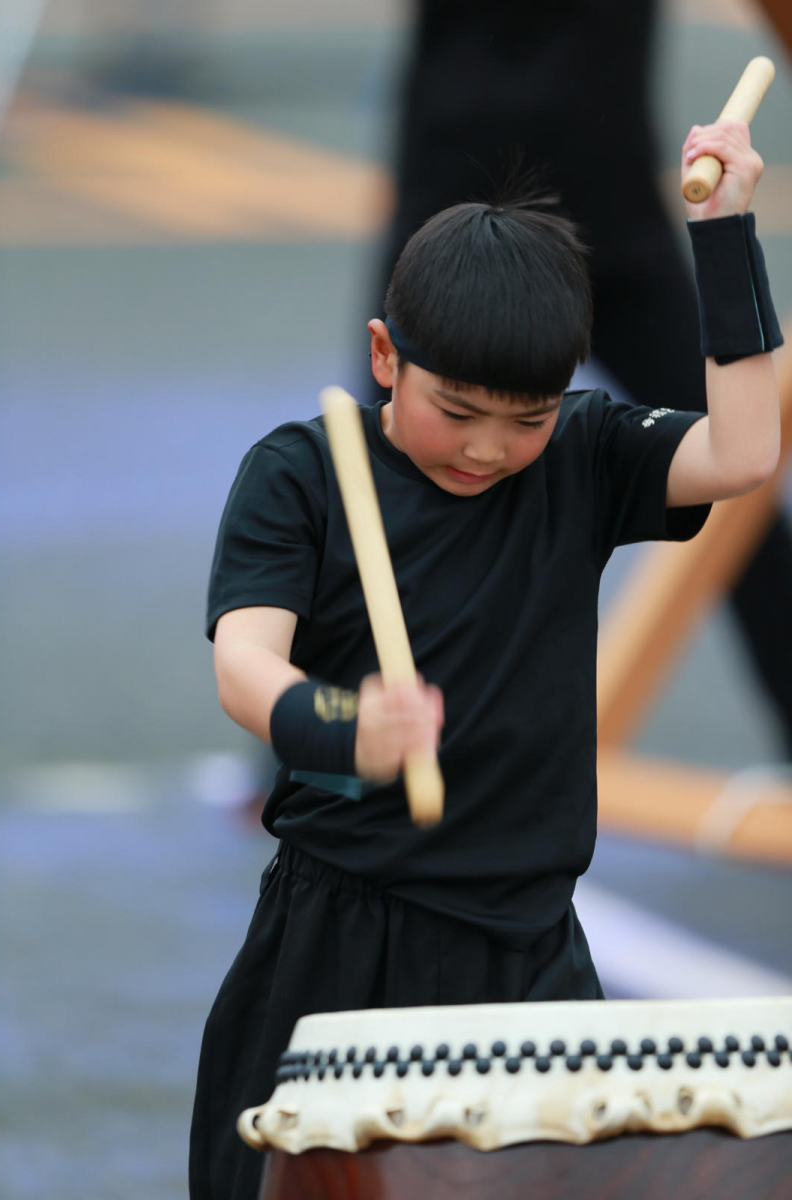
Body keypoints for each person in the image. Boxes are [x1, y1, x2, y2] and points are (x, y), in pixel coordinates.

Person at [189, 120, 782, 1200]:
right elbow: (244, 666)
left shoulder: (584, 458)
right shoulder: (301, 475)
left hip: (527, 941)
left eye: (526, 418)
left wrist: (725, 233)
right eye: (454, 410)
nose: (484, 448)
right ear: (384, 357)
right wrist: (339, 723)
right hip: (338, 936)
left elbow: (742, 451)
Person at [371, 0, 792, 756]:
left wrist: (725, 237)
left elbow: (740, 453)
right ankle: (317, 754)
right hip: (462, 214)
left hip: (596, 195)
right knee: (375, 491)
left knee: (738, 501)